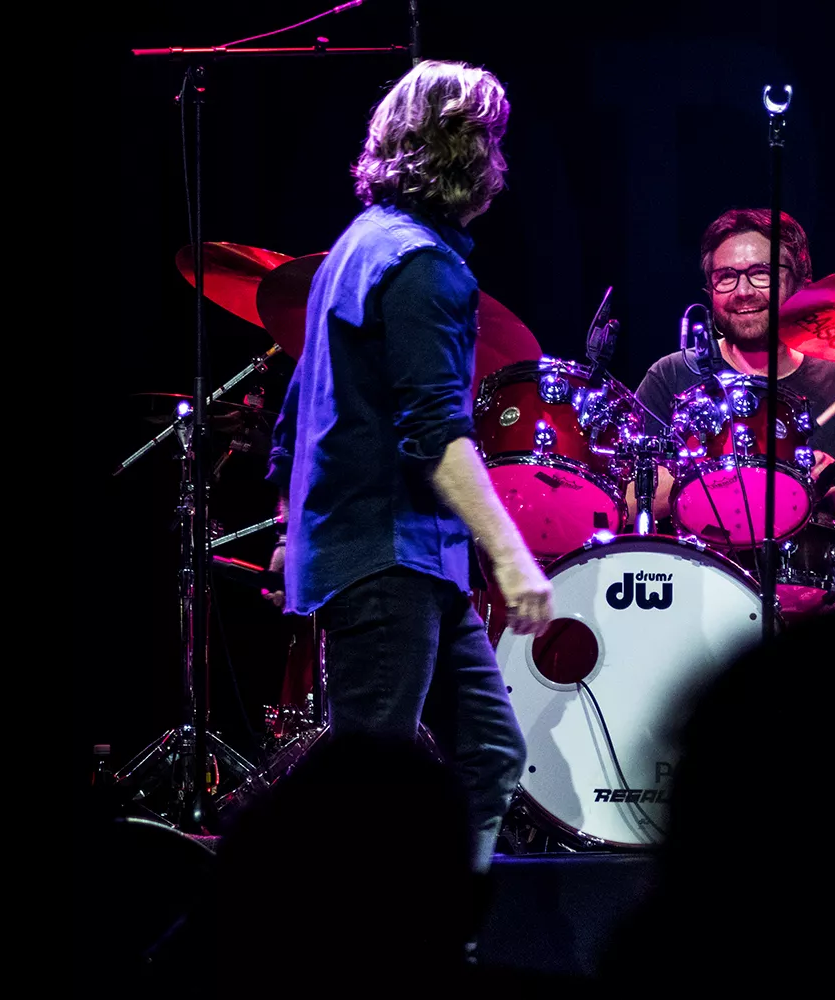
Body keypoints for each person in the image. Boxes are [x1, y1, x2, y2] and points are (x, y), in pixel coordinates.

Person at [263, 60, 552, 873]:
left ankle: (443, 926)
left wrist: (293, 529)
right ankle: (350, 934)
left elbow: (294, 414)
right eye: (492, 141)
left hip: (403, 557)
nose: (500, 161)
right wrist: (512, 556)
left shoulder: (356, 248)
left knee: (489, 754)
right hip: (389, 556)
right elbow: (436, 435)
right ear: (468, 151)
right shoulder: (424, 266)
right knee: (373, 788)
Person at [629, 209, 835, 542]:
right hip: (699, 571)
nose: (742, 291)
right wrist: (705, 472)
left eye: (761, 273)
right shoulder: (671, 375)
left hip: (812, 575)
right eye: (726, 276)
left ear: (800, 284)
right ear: (710, 290)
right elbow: (625, 503)